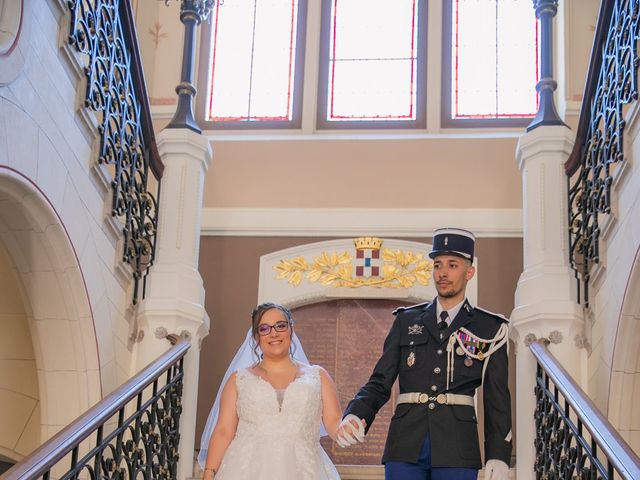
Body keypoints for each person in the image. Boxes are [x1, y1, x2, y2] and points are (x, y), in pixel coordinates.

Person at [335, 228, 512, 480]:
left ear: (469, 272)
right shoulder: (406, 321)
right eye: (438, 265)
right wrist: (356, 413)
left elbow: (497, 400)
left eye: (453, 265)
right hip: (405, 443)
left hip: (458, 446)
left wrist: (499, 453)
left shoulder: (490, 328)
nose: (443, 272)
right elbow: (380, 382)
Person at [199, 302, 342, 480]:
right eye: (264, 328)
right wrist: (209, 472)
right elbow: (224, 430)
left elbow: (334, 421)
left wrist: (348, 427)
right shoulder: (239, 379)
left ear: (291, 329)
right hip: (245, 469)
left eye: (280, 326)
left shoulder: (318, 376)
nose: (273, 333)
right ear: (256, 337)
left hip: (305, 469)